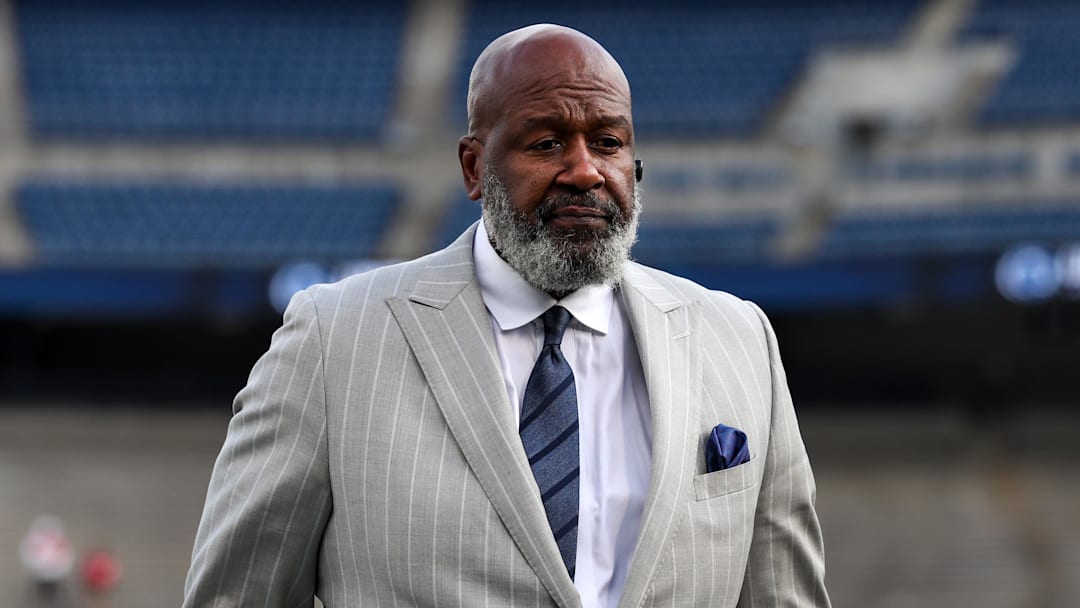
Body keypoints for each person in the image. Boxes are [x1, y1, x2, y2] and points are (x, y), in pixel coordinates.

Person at [184, 24, 830, 608]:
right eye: (547, 143)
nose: (584, 171)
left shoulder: (737, 338)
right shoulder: (335, 339)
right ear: (474, 167)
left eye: (607, 142)